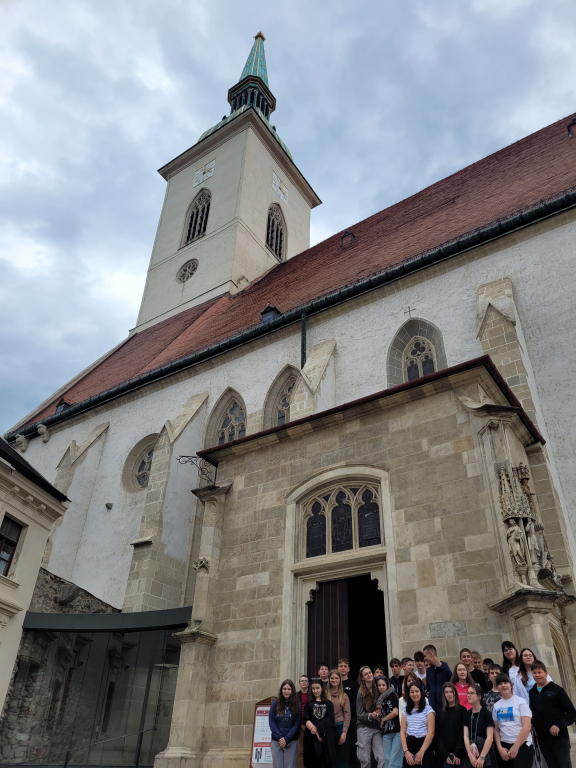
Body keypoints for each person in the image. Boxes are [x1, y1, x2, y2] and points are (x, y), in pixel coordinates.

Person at [529, 660, 576, 768]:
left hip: (559, 738)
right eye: (534, 673)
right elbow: (533, 712)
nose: (537, 675)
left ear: (546, 673)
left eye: (539, 672)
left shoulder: (557, 690)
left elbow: (572, 712)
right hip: (543, 738)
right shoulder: (532, 692)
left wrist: (559, 725)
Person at [492, 673, 533, 768]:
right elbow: (496, 729)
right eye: (500, 683)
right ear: (497, 687)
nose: (503, 685)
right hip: (504, 748)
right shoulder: (496, 706)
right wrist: (500, 748)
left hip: (522, 746)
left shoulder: (521, 702)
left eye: (505, 682)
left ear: (511, 684)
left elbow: (527, 726)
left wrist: (516, 746)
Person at [400, 681, 435, 768]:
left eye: (417, 691)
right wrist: (406, 751)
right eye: (412, 692)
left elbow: (431, 732)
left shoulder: (428, 709)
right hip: (410, 745)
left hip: (424, 745)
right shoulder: (405, 711)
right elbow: (402, 732)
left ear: (421, 692)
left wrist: (422, 751)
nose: (414, 694)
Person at [356, 666, 385, 768]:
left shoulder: (378, 688)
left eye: (370, 672)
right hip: (364, 727)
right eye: (366, 674)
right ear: (362, 678)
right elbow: (359, 714)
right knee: (365, 760)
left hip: (376, 727)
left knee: (382, 758)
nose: (369, 675)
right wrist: (370, 715)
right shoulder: (360, 692)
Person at [269, 679, 302, 768]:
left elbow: (297, 724)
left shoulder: (297, 705)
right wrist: (280, 737)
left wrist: (287, 738)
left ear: (292, 691)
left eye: (289, 689)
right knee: (277, 766)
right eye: (284, 689)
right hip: (276, 740)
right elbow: (271, 721)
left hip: (291, 740)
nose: (286, 691)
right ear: (281, 690)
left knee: (289, 766)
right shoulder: (275, 704)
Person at [304, 681, 336, 768]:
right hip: (311, 737)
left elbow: (331, 720)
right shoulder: (308, 703)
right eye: (313, 688)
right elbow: (306, 719)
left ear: (322, 688)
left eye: (317, 688)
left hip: (325, 738)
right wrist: (314, 729)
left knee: (325, 763)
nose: (315, 691)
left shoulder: (329, 704)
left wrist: (318, 728)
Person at [435, 682, 466, 768]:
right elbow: (437, 735)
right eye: (447, 692)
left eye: (451, 691)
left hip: (460, 755)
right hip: (445, 756)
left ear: (455, 693)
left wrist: (457, 753)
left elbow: (464, 732)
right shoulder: (440, 713)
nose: (449, 694)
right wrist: (445, 754)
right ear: (443, 694)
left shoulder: (462, 711)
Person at [463, 685, 494, 768]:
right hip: (472, 752)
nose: (468, 695)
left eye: (471, 693)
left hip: (485, 751)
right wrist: (470, 755)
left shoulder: (486, 713)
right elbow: (466, 736)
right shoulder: (467, 714)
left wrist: (482, 757)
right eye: (468, 693)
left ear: (479, 697)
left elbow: (490, 737)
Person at [376, 676, 402, 768]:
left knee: (395, 761)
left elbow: (395, 712)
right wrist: (378, 716)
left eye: (383, 685)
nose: (381, 687)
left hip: (397, 731)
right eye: (379, 685)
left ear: (387, 685)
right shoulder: (379, 699)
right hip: (386, 732)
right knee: (387, 760)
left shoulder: (392, 695)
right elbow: (381, 720)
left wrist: (383, 719)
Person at [328, 669, 351, 768]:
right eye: (332, 678)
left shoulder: (344, 696)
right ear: (329, 679)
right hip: (328, 728)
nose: (334, 680)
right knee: (329, 756)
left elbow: (347, 714)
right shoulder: (324, 695)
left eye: (336, 678)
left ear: (339, 680)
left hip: (340, 727)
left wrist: (344, 732)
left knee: (341, 757)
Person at [337, 658, 357, 765]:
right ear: (338, 668)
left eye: (345, 666)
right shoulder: (335, 684)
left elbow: (355, 702)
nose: (343, 668)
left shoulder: (353, 685)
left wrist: (347, 714)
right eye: (341, 666)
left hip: (350, 720)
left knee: (350, 746)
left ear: (348, 669)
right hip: (337, 720)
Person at [424, 645, 452, 712]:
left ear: (431, 654)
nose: (424, 658)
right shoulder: (429, 671)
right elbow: (428, 689)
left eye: (425, 656)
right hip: (432, 708)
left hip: (444, 708)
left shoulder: (446, 671)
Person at [298, 676, 310, 768]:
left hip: (310, 725)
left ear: (308, 683)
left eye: (305, 681)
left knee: (310, 750)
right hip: (299, 725)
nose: (304, 682)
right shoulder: (295, 696)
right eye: (302, 681)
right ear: (299, 683)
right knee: (300, 751)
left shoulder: (312, 694)